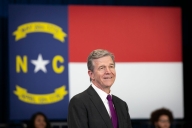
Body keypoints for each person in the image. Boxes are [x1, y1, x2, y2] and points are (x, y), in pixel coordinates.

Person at [67, 49, 132, 128]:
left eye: (111, 66)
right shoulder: (79, 102)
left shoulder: (122, 105)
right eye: (102, 68)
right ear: (91, 74)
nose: (108, 71)